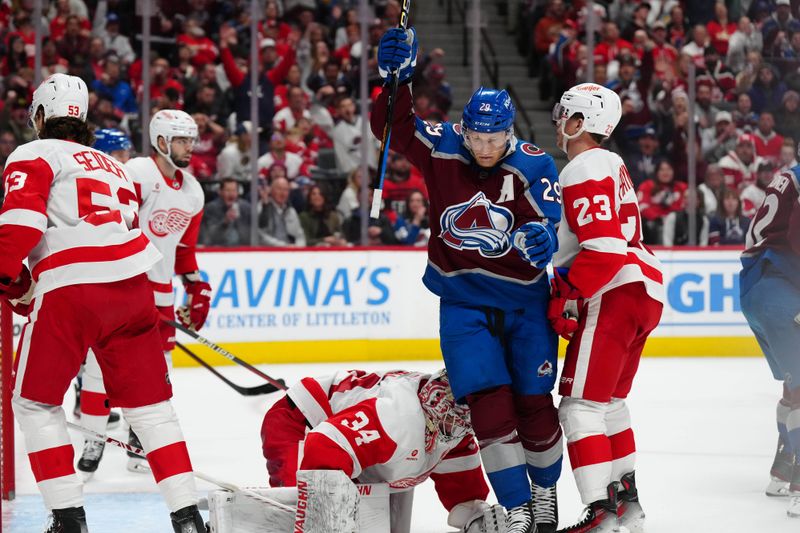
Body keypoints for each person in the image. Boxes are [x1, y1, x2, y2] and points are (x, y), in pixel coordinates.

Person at [373, 27, 563, 533]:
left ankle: (546, 499)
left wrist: (543, 237)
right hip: (463, 304)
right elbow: (392, 126)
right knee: (490, 410)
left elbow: (549, 220)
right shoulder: (442, 148)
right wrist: (397, 79)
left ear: (509, 131)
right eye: (476, 138)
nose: (484, 147)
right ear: (464, 129)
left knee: (534, 405)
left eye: (494, 138)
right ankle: (519, 511)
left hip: (525, 304)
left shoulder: (533, 163)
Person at [0, 74, 206, 532]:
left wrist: (11, 283)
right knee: (153, 411)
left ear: (39, 116)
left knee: (34, 403)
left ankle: (68, 519)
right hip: (134, 291)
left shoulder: (32, 152)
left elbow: (20, 228)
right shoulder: (110, 164)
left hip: (72, 289)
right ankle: (189, 517)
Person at [549, 83, 665, 532]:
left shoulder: (584, 166)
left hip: (614, 288)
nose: (560, 120)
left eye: (567, 114)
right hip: (643, 286)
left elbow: (603, 247)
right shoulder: (612, 163)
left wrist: (569, 293)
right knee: (611, 403)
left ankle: (598, 513)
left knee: (579, 408)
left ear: (582, 122)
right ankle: (626, 505)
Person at [76, 110, 211, 476]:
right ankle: (94, 435)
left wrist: (197, 285)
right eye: (182, 140)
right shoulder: (137, 172)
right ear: (162, 141)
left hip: (162, 291)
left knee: (157, 371)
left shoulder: (193, 192)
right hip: (120, 285)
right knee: (98, 367)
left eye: (191, 140)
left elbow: (183, 250)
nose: (189, 148)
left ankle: (139, 437)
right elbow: (113, 225)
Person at [260, 369, 505, 532]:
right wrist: (325, 518)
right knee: (301, 515)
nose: (444, 406)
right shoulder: (398, 418)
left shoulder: (455, 435)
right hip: (302, 423)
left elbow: (465, 501)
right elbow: (324, 446)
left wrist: (477, 519)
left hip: (361, 450)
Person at [740, 158, 800, 519]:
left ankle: (783, 470)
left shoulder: (790, 173)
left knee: (794, 382)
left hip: (757, 286)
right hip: (779, 284)